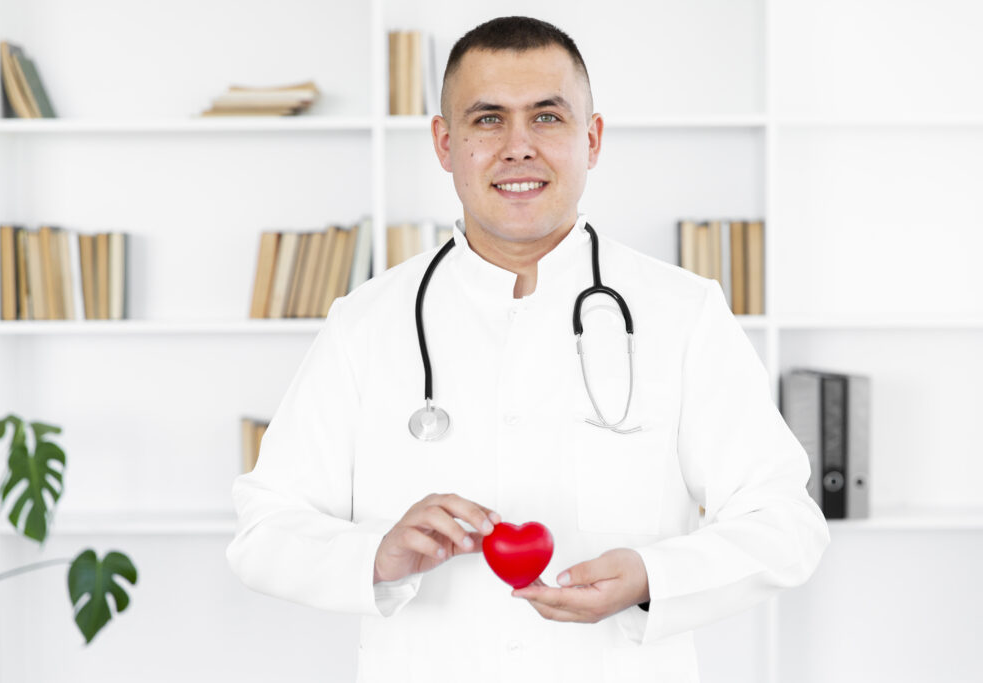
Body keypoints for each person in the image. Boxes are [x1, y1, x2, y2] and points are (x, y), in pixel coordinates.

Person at [227, 16, 829, 682]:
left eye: (547, 118)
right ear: (444, 143)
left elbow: (786, 524)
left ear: (591, 139)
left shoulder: (684, 312)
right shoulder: (365, 322)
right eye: (488, 120)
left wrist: (652, 576)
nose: (518, 147)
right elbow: (263, 530)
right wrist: (379, 554)